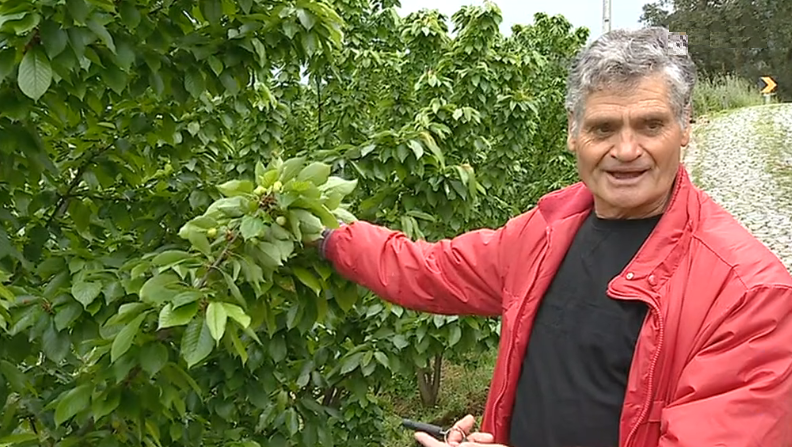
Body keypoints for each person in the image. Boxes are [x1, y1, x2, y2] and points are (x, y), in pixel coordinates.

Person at [318, 26, 792, 447]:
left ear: (685, 126)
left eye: (651, 125)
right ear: (572, 132)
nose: (626, 150)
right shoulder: (548, 228)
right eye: (603, 128)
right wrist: (326, 236)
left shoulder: (749, 294)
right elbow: (434, 270)